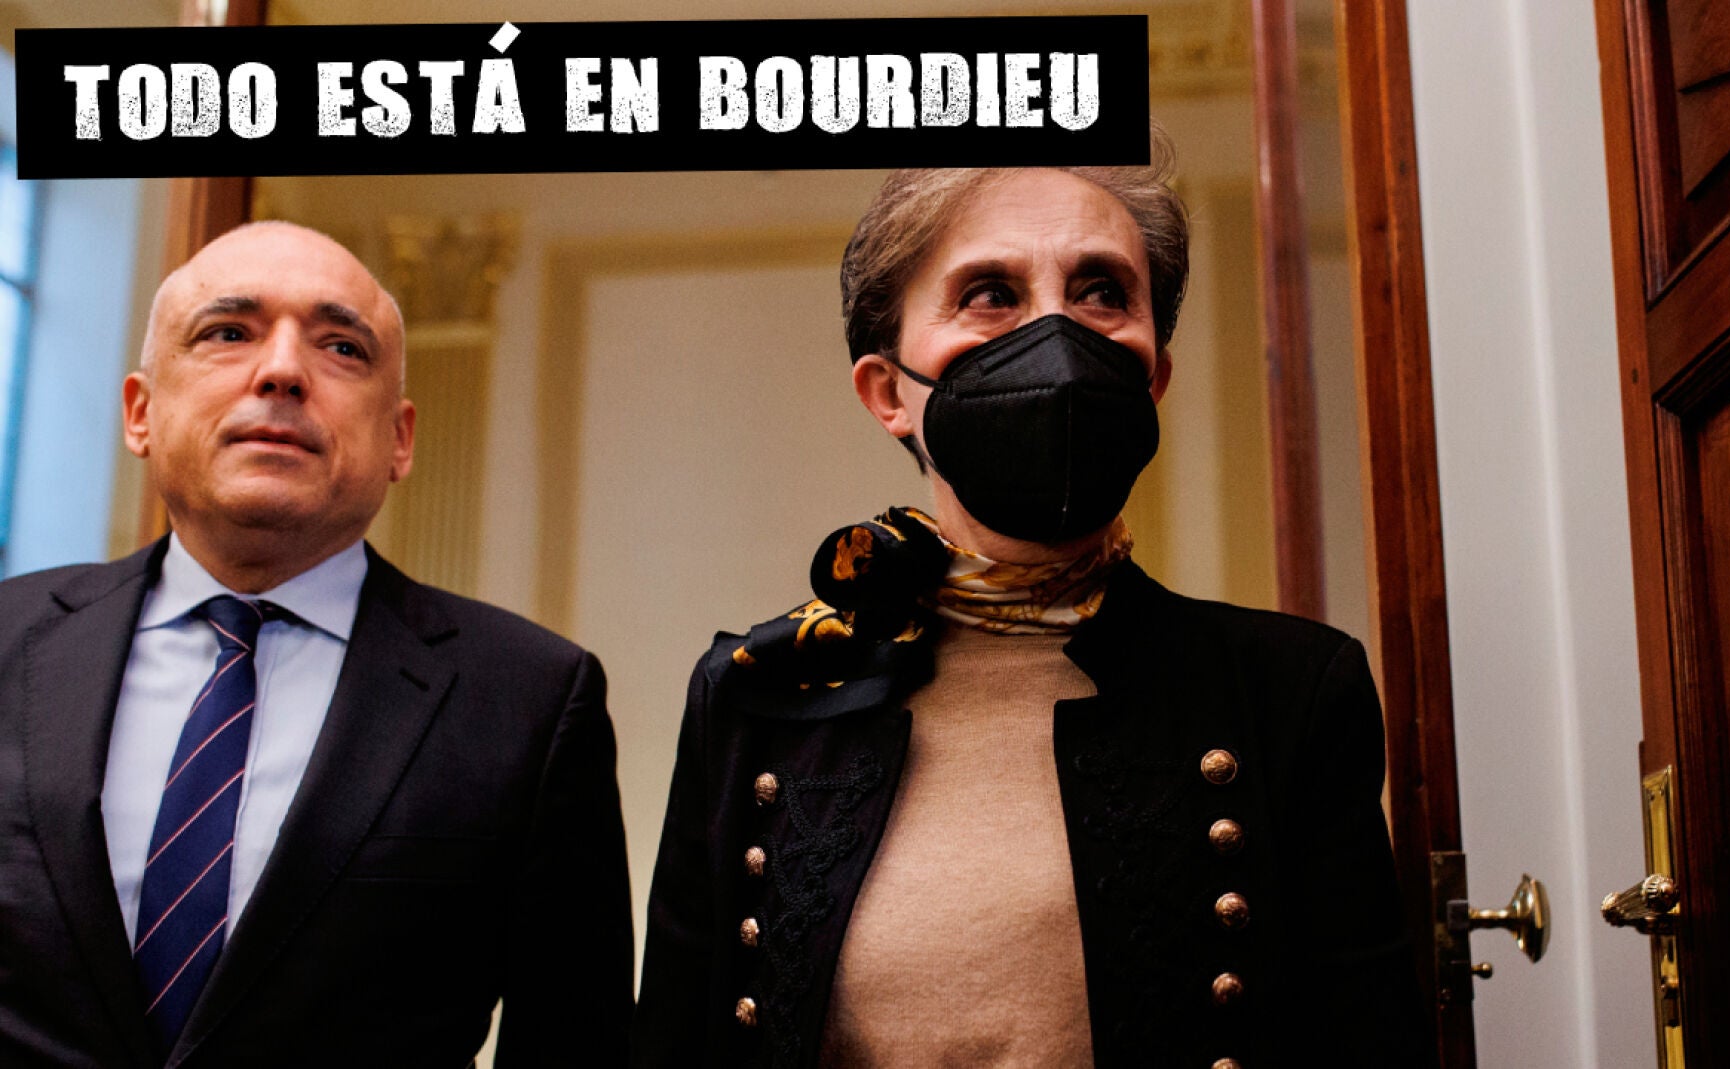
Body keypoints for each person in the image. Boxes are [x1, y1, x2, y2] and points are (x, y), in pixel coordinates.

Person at [636, 135, 1430, 1067]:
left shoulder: (1289, 692)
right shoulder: (760, 692)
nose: (1056, 336)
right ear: (888, 392)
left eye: (1101, 291)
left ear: (1154, 378)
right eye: (990, 294)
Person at [0, 222, 633, 1067]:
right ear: (140, 412)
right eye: (228, 332)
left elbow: (576, 1043)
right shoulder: (10, 641)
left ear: (400, 438)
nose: (283, 371)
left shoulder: (531, 701)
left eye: (341, 347)